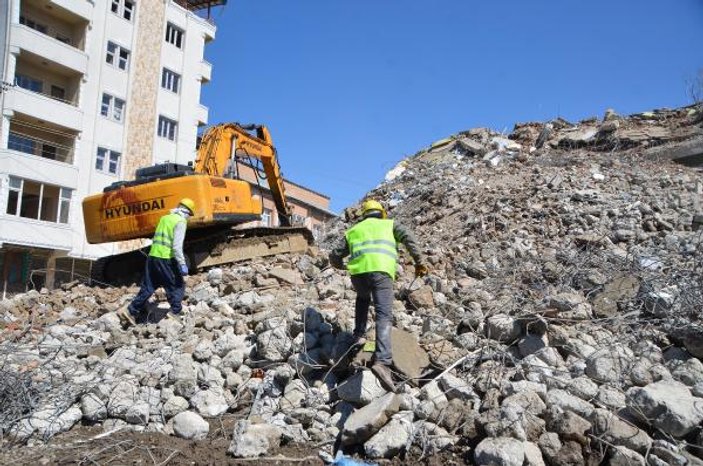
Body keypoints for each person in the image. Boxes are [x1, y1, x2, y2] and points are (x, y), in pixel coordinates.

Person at [329, 199, 428, 392]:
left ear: (364, 215)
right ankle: (382, 360)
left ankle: (358, 335)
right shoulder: (390, 225)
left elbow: (334, 255)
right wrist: (419, 261)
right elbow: (408, 237)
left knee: (363, 298)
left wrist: (342, 266)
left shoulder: (354, 230)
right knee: (384, 315)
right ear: (381, 213)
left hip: (358, 275)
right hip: (382, 273)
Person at [118, 198, 195, 325]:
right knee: (176, 284)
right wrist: (182, 263)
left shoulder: (165, 218)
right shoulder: (180, 221)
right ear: (187, 212)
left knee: (149, 286)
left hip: (152, 257)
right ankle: (175, 311)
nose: (188, 217)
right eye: (190, 215)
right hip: (165, 258)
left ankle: (131, 311)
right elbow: (176, 246)